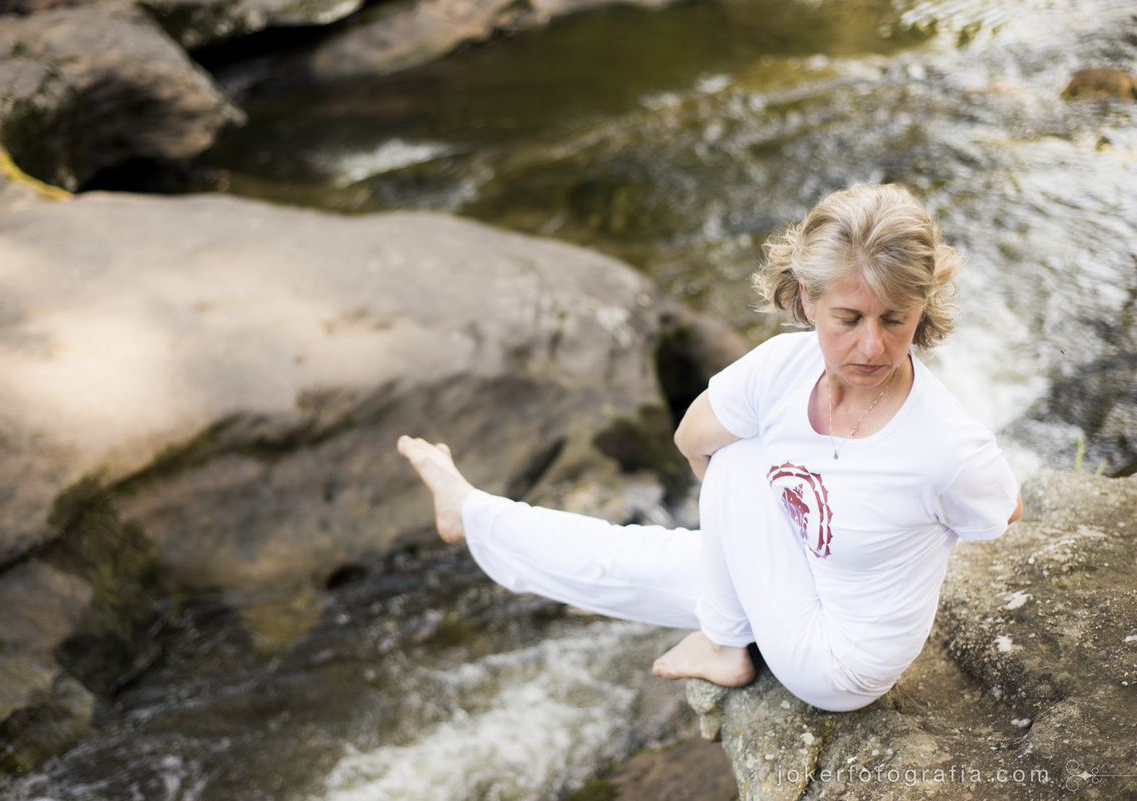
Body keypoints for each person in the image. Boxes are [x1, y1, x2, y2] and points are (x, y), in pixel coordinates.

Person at [397, 183, 1023, 713]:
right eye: (849, 318)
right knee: (630, 556)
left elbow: (1005, 509)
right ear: (808, 298)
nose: (871, 347)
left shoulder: (947, 445)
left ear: (921, 308)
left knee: (740, 457)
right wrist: (742, 543)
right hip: (792, 576)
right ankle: (473, 514)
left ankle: (724, 642)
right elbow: (690, 438)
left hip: (839, 660)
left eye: (894, 319)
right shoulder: (782, 367)